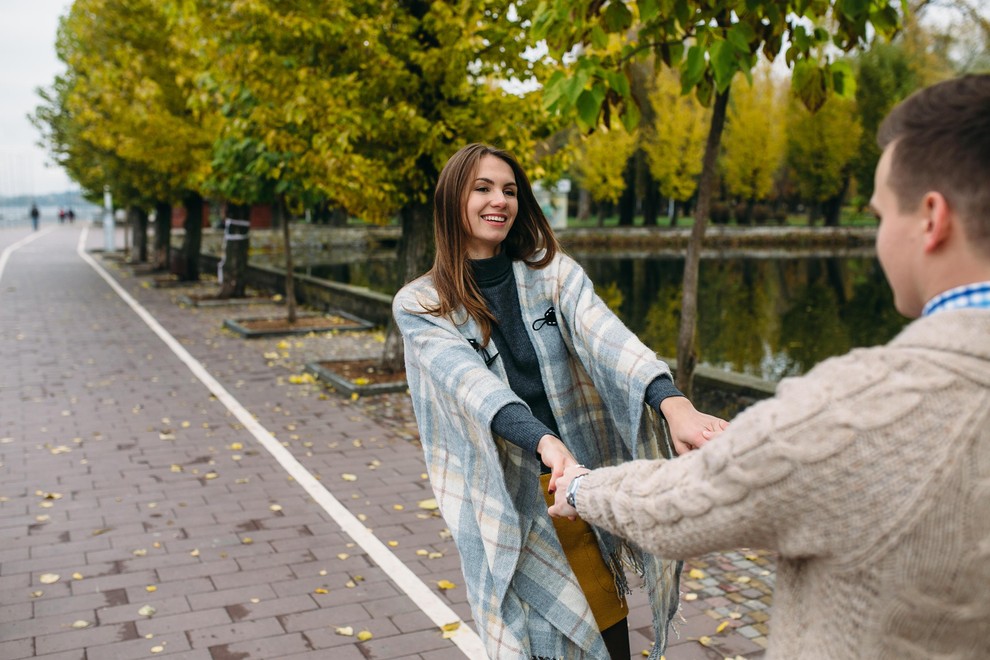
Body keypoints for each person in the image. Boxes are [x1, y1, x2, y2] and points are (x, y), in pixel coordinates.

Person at [550, 74, 990, 659]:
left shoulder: (863, 405)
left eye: (882, 214)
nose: (880, 235)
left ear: (931, 220)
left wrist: (579, 487)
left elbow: (678, 507)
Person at [393, 143, 728, 659]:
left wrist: (672, 403)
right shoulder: (421, 305)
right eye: (482, 188)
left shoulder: (551, 273)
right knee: (529, 637)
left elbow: (609, 340)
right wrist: (544, 440)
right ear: (451, 200)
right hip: (503, 494)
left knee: (605, 637)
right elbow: (471, 385)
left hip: (571, 489)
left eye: (509, 190)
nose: (498, 200)